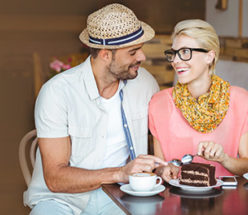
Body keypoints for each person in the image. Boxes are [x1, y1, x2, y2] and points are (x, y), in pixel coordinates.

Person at [24, 3, 167, 215]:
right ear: (105, 54)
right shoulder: (57, 92)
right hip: (61, 200)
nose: (142, 57)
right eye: (133, 52)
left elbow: (163, 136)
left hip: (121, 197)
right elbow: (55, 179)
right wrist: (120, 173)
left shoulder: (145, 83)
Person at [149, 19, 248, 182]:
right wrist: (163, 169)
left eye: (185, 52)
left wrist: (224, 159)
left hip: (225, 200)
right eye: (174, 53)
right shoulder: (159, 103)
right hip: (176, 201)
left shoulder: (240, 100)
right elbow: (159, 166)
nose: (176, 61)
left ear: (209, 56)